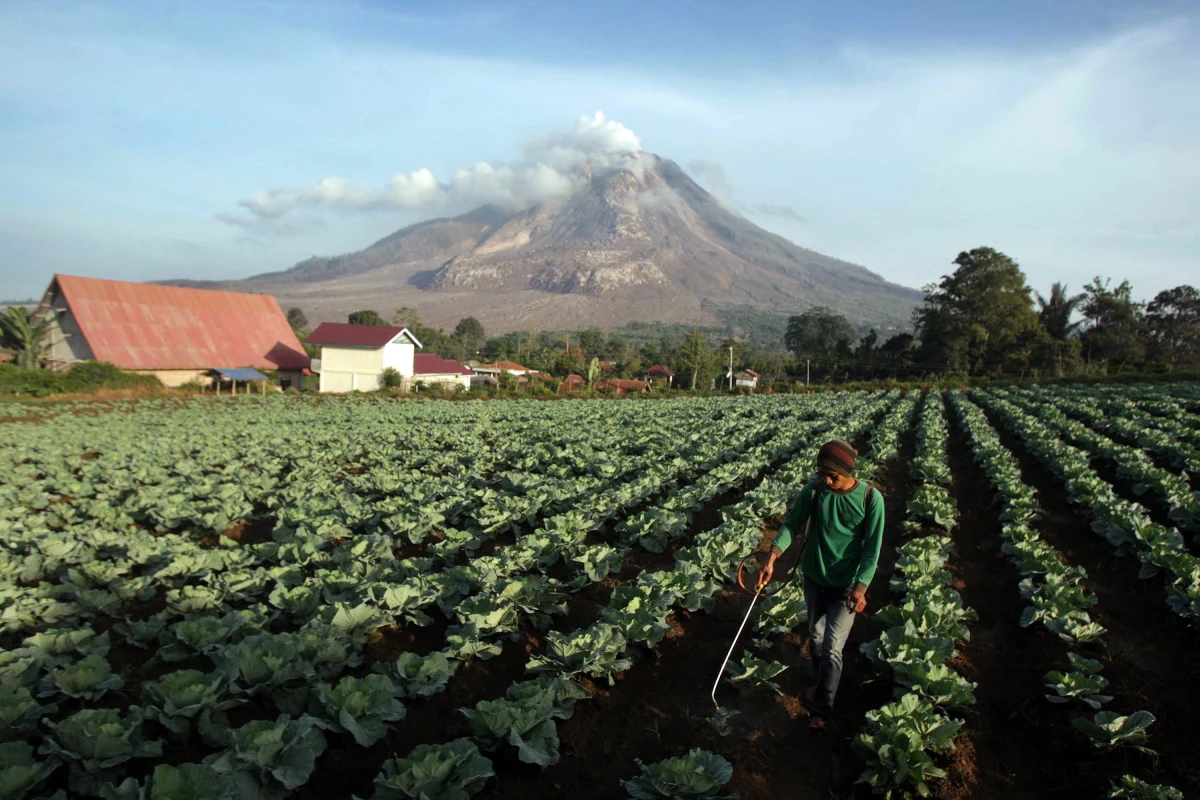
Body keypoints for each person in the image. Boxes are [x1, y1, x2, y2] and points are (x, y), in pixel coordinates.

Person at [757, 439, 884, 731]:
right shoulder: (814, 491)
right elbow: (791, 524)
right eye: (823, 474)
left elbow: (872, 549)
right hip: (814, 577)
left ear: (848, 471)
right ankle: (819, 682)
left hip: (847, 586)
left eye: (833, 476)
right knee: (814, 637)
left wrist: (861, 588)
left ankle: (822, 709)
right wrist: (773, 555)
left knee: (832, 648)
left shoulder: (870, 498)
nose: (827, 480)